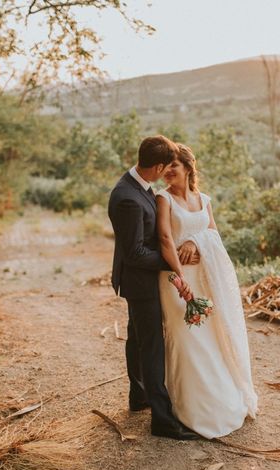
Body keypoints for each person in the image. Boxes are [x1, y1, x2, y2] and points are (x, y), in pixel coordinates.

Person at [155, 144, 258, 439]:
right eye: (164, 167)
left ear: (188, 167)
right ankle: (189, 409)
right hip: (176, 280)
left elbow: (213, 233)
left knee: (210, 338)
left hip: (204, 278)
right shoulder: (163, 199)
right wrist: (178, 274)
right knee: (187, 339)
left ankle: (220, 400)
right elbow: (164, 238)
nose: (168, 171)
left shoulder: (203, 199)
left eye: (173, 165)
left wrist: (196, 242)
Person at [107, 135, 201, 440]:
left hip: (143, 279)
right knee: (152, 346)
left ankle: (139, 395)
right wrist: (171, 262)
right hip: (140, 281)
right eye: (166, 167)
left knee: (137, 338)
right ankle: (162, 421)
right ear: (157, 165)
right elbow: (134, 252)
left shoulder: (139, 187)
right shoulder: (128, 198)